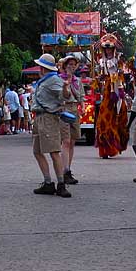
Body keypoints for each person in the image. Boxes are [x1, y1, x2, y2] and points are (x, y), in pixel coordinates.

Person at [30, 53, 71, 197]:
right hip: (39, 118)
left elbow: (65, 95)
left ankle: (61, 184)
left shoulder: (54, 80)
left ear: (42, 68)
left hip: (48, 118)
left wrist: (65, 88)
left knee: (54, 151)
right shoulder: (44, 80)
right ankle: (48, 182)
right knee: (37, 151)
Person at [94, 33, 128, 158]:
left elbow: (121, 75)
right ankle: (105, 148)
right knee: (103, 119)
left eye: (110, 48)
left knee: (120, 114)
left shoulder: (118, 59)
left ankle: (116, 144)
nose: (108, 50)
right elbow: (100, 76)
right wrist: (99, 79)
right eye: (106, 48)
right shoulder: (101, 61)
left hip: (117, 88)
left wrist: (118, 78)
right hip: (107, 90)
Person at [59, 55, 84, 184]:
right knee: (66, 141)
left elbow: (81, 96)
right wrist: (66, 84)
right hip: (64, 109)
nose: (72, 67)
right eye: (69, 64)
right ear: (64, 66)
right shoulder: (59, 80)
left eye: (74, 65)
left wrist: (83, 107)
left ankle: (68, 169)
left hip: (75, 109)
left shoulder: (77, 81)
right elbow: (63, 95)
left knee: (73, 141)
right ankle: (65, 170)